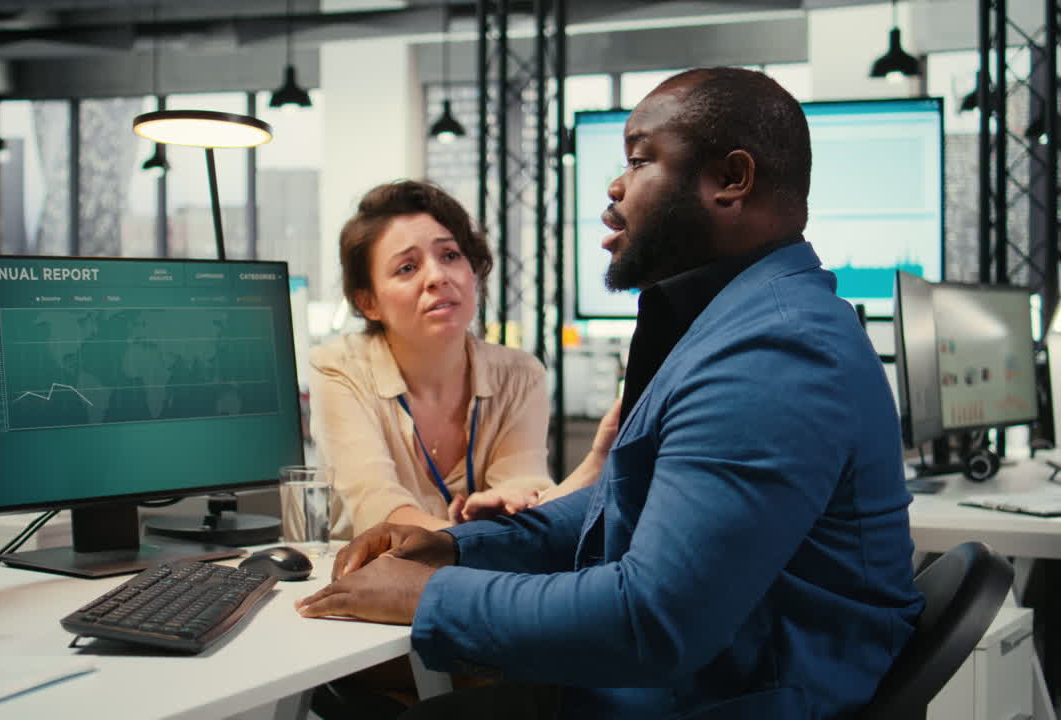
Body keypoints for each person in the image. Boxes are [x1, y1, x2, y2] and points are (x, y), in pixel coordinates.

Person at [296, 67, 924, 719]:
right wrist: (457, 547)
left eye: (640, 160)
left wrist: (428, 596)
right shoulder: (735, 322)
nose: (615, 187)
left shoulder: (772, 352)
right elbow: (627, 500)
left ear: (730, 180)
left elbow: (651, 622)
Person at [310, 180, 616, 540]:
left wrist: (592, 466)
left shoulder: (519, 375)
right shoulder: (340, 367)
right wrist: (482, 539)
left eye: (451, 255)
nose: (437, 277)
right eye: (407, 268)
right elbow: (379, 512)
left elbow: (528, 497)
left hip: (482, 581)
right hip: (373, 583)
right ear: (368, 302)